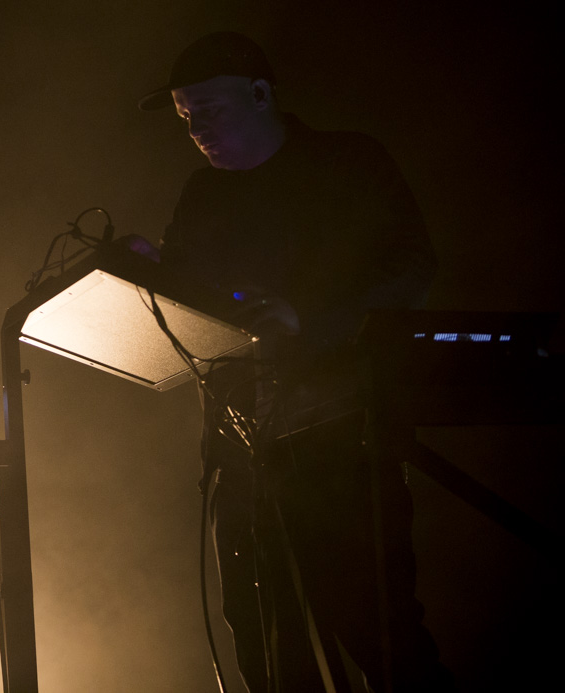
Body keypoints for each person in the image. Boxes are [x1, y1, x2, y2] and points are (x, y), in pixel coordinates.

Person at [139, 33, 454, 691]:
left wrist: (307, 319)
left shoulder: (347, 162)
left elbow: (411, 267)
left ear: (261, 95)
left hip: (345, 441)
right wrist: (148, 276)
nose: (196, 131)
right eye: (185, 118)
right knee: (263, 641)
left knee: (375, 626)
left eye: (208, 111)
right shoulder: (203, 194)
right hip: (242, 448)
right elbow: (189, 301)